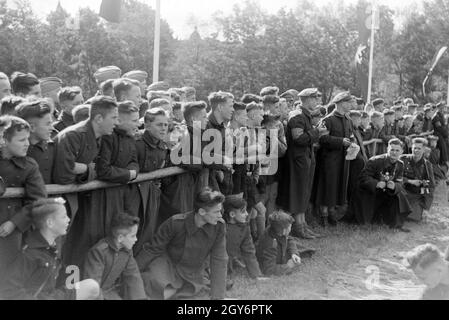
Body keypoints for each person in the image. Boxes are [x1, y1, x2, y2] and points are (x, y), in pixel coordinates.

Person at [53, 96, 119, 269]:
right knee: (61, 249)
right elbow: (64, 174)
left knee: (75, 247)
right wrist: (88, 168)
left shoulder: (98, 136)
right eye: (113, 117)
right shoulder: (74, 135)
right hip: (60, 201)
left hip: (77, 199)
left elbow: (96, 168)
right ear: (98, 118)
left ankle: (72, 289)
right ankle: (61, 291)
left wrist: (82, 168)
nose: (116, 122)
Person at [136, 188, 228, 300]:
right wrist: (133, 271)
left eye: (220, 211)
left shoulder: (219, 227)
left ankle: (178, 290)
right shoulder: (175, 222)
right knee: (155, 285)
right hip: (168, 265)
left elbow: (219, 259)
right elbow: (153, 249)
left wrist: (218, 297)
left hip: (193, 271)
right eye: (216, 212)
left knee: (195, 296)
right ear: (202, 212)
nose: (220, 216)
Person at [0, 198, 100, 300]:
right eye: (64, 216)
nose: (68, 219)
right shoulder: (30, 254)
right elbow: (8, 290)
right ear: (50, 223)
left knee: (92, 286)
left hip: (53, 295)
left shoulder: (50, 247)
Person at [0, 116, 47, 276]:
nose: (27, 143)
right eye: (21, 140)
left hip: (9, 229)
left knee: (7, 271)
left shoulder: (29, 166)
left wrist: (14, 222)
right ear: (4, 140)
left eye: (27, 138)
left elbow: (38, 201)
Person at [278, 88, 326, 238]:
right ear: (307, 99)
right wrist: (317, 132)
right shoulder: (298, 116)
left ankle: (302, 225)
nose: (317, 101)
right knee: (299, 193)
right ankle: (298, 227)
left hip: (304, 159)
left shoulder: (304, 115)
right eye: (315, 98)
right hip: (298, 161)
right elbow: (299, 139)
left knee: (304, 193)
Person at [95, 101, 140, 236]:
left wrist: (132, 172)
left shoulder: (129, 137)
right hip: (105, 195)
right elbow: (103, 169)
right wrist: (128, 174)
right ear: (119, 120)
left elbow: (134, 161)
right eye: (134, 121)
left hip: (124, 191)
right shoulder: (108, 137)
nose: (138, 124)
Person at [313, 92, 354, 227]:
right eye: (348, 102)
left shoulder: (348, 120)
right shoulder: (328, 120)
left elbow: (351, 135)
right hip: (329, 160)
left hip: (343, 160)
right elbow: (322, 138)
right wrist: (340, 141)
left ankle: (332, 213)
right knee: (327, 187)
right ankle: (323, 215)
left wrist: (351, 143)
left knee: (337, 187)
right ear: (341, 103)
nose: (351, 105)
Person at [83, 213, 146, 300]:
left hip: (110, 294)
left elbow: (133, 277)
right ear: (120, 238)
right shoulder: (99, 252)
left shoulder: (127, 252)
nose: (136, 239)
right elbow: (92, 287)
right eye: (133, 236)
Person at [133, 108, 169, 254]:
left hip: (152, 192)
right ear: (147, 125)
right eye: (159, 125)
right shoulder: (136, 142)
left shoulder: (162, 145)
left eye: (166, 125)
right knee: (134, 230)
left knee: (148, 229)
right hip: (134, 194)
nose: (164, 128)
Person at [355, 139, 412, 231]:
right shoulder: (375, 161)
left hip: (386, 193)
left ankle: (396, 224)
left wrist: (394, 186)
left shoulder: (400, 164)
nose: (394, 153)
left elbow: (400, 182)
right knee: (365, 221)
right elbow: (363, 178)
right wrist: (376, 183)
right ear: (387, 149)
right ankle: (367, 218)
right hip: (371, 192)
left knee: (400, 194)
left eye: (397, 150)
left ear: (402, 151)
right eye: (392, 150)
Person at [256, 210, 315, 276]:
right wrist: (288, 266)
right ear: (284, 230)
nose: (291, 228)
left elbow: (289, 239)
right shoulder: (270, 244)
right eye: (290, 227)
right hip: (275, 259)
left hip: (281, 254)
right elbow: (269, 270)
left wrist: (294, 253)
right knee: (304, 252)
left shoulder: (276, 230)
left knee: (305, 251)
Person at [223, 194, 263, 280]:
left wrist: (256, 275)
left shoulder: (245, 227)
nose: (247, 214)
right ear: (232, 214)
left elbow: (249, 252)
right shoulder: (220, 228)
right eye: (243, 211)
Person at [16, 99, 55, 184]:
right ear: (32, 128)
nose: (51, 128)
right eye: (47, 124)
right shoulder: (16, 151)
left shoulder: (53, 147)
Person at [206, 91, 235, 195]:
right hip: (209, 185)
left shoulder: (223, 126)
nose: (233, 109)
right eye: (230, 106)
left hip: (225, 183)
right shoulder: (203, 125)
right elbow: (203, 154)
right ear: (220, 107)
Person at [401, 138, 435, 222]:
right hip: (402, 192)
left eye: (419, 148)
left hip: (416, 195)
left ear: (423, 149)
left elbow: (430, 186)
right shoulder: (402, 159)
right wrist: (409, 181)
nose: (416, 150)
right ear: (411, 148)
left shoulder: (427, 165)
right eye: (414, 148)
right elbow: (395, 177)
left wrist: (426, 208)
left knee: (414, 218)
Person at [432, 102, 449, 166]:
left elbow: (444, 126)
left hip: (443, 133)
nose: (442, 109)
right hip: (437, 133)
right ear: (437, 108)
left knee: (447, 142)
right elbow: (439, 127)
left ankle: (446, 160)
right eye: (440, 107)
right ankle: (444, 161)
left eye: (443, 107)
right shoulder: (436, 116)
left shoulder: (442, 115)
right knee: (442, 144)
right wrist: (446, 133)